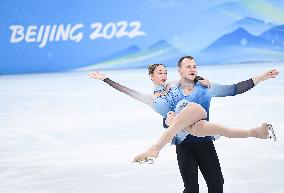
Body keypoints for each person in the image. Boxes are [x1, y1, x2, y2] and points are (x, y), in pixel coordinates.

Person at [132, 56, 278, 193]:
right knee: (191, 189)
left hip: (205, 142)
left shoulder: (206, 88)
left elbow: (234, 89)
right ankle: (155, 149)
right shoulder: (171, 91)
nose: (192, 69)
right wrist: (166, 121)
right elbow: (169, 120)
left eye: (194, 67)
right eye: (188, 66)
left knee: (216, 185)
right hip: (184, 147)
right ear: (179, 70)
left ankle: (155, 149)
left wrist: (260, 78)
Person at [89, 63, 277, 159]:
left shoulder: (175, 85)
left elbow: (191, 76)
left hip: (192, 112)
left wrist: (201, 78)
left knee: (186, 109)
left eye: (165, 72)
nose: (163, 75)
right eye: (159, 72)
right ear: (151, 76)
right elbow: (127, 91)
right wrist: (106, 79)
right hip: (185, 129)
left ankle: (155, 148)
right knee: (219, 130)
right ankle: (256, 132)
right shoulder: (150, 99)